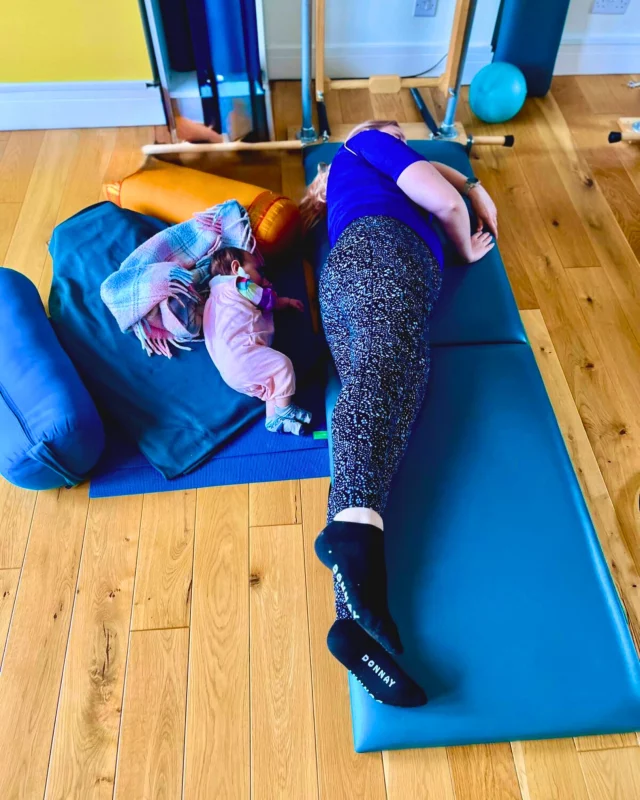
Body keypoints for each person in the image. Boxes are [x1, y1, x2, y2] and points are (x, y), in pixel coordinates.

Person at [300, 119, 498, 706]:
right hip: (382, 259)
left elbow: (449, 185)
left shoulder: (371, 171)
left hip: (364, 276)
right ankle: (353, 539)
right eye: (399, 135)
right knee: (388, 381)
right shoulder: (362, 141)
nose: (404, 140)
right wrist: (462, 241)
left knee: (392, 395)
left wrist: (462, 176)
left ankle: (355, 627)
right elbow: (440, 198)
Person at [203, 246, 312, 435]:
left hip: (231, 372)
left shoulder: (213, 299)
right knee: (282, 365)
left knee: (271, 385)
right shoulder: (239, 283)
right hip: (242, 356)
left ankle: (273, 421)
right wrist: (281, 299)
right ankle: (285, 409)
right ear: (237, 268)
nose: (262, 276)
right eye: (257, 270)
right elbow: (267, 301)